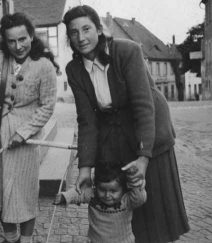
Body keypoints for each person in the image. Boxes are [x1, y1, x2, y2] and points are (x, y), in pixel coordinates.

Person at [63, 5, 189, 243]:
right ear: (68, 37)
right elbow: (87, 120)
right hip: (116, 134)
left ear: (99, 29)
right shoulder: (74, 69)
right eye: (73, 32)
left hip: (149, 131)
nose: (81, 37)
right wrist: (84, 170)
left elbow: (143, 105)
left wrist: (143, 158)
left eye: (86, 29)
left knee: (156, 209)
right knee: (128, 206)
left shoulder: (126, 51)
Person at [0, 12, 57, 243]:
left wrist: (23, 133)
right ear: (5, 40)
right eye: (11, 41)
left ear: (31, 36)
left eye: (22, 39)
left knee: (24, 190)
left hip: (26, 138)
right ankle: (10, 236)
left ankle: (26, 238)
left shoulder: (44, 65)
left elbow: (47, 107)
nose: (18, 46)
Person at [54, 163, 147, 243]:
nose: (107, 195)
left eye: (113, 191)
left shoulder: (127, 200)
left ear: (123, 189)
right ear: (95, 186)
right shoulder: (93, 196)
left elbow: (140, 198)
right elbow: (78, 194)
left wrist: (134, 182)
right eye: (102, 190)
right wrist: (65, 197)